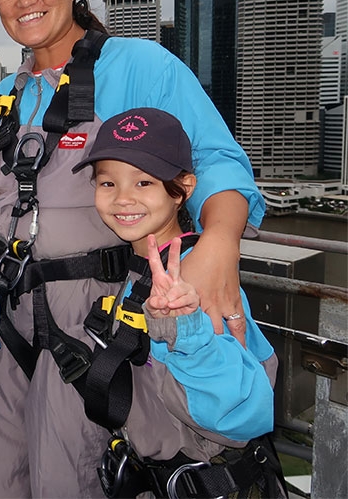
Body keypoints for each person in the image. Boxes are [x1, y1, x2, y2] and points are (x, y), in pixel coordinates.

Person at [0, 0, 265, 496]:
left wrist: (219, 244)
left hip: (89, 328)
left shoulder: (140, 67)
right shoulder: (3, 98)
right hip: (1, 325)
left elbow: (218, 159)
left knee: (70, 477)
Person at [71, 107, 285, 497]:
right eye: (107, 184)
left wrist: (189, 334)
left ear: (183, 187)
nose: (123, 199)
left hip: (210, 483)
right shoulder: (131, 269)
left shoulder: (198, 278)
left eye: (144, 183)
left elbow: (245, 414)